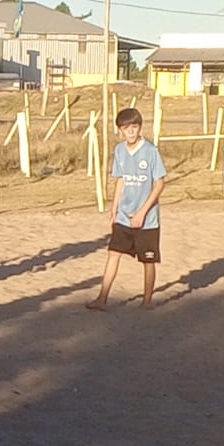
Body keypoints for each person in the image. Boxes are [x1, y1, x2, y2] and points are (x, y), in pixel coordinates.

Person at [86, 107, 167, 310]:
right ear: (120, 130)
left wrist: (142, 212)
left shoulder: (150, 151)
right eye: (125, 128)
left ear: (139, 128)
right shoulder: (120, 150)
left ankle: (147, 301)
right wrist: (114, 210)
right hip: (123, 216)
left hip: (147, 219)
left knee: (148, 260)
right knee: (113, 253)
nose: (130, 131)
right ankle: (102, 298)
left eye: (134, 127)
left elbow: (159, 183)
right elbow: (120, 180)